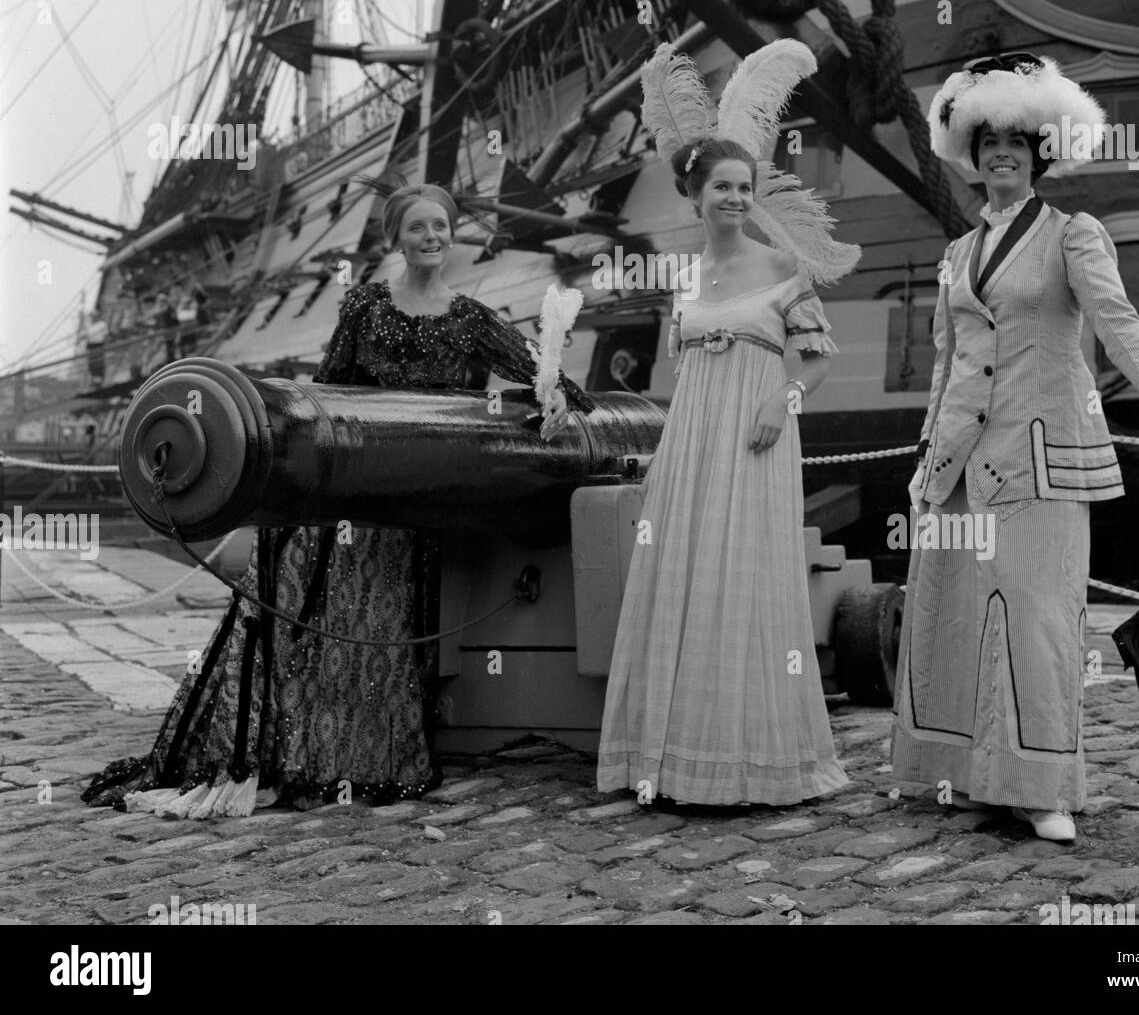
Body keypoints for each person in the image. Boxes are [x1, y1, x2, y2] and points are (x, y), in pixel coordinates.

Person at [84, 181, 593, 818]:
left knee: (381, 629)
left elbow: (553, 381)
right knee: (328, 622)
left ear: (454, 233)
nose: (431, 238)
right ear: (396, 240)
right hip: (352, 492)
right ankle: (307, 749)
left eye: (441, 226)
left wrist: (551, 399)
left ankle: (360, 751)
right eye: (417, 229)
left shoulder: (472, 319)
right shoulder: (366, 305)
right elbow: (326, 394)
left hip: (411, 502)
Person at [891, 53, 1139, 844]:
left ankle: (1042, 788)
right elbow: (945, 363)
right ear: (973, 152)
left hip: (1039, 459)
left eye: (1018, 140)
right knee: (955, 616)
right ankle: (968, 776)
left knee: (1037, 618)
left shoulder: (1073, 234)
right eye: (989, 139)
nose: (1003, 151)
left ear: (1040, 151)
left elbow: (1118, 320)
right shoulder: (956, 255)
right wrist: (926, 458)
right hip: (960, 466)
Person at [597, 40, 859, 806]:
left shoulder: (782, 270)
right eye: (723, 187)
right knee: (682, 580)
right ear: (696, 195)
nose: (737, 199)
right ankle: (676, 758)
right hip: (690, 444)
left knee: (746, 583)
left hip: (756, 437)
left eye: (746, 187)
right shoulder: (686, 281)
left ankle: (754, 757)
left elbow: (817, 358)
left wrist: (782, 402)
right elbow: (683, 375)